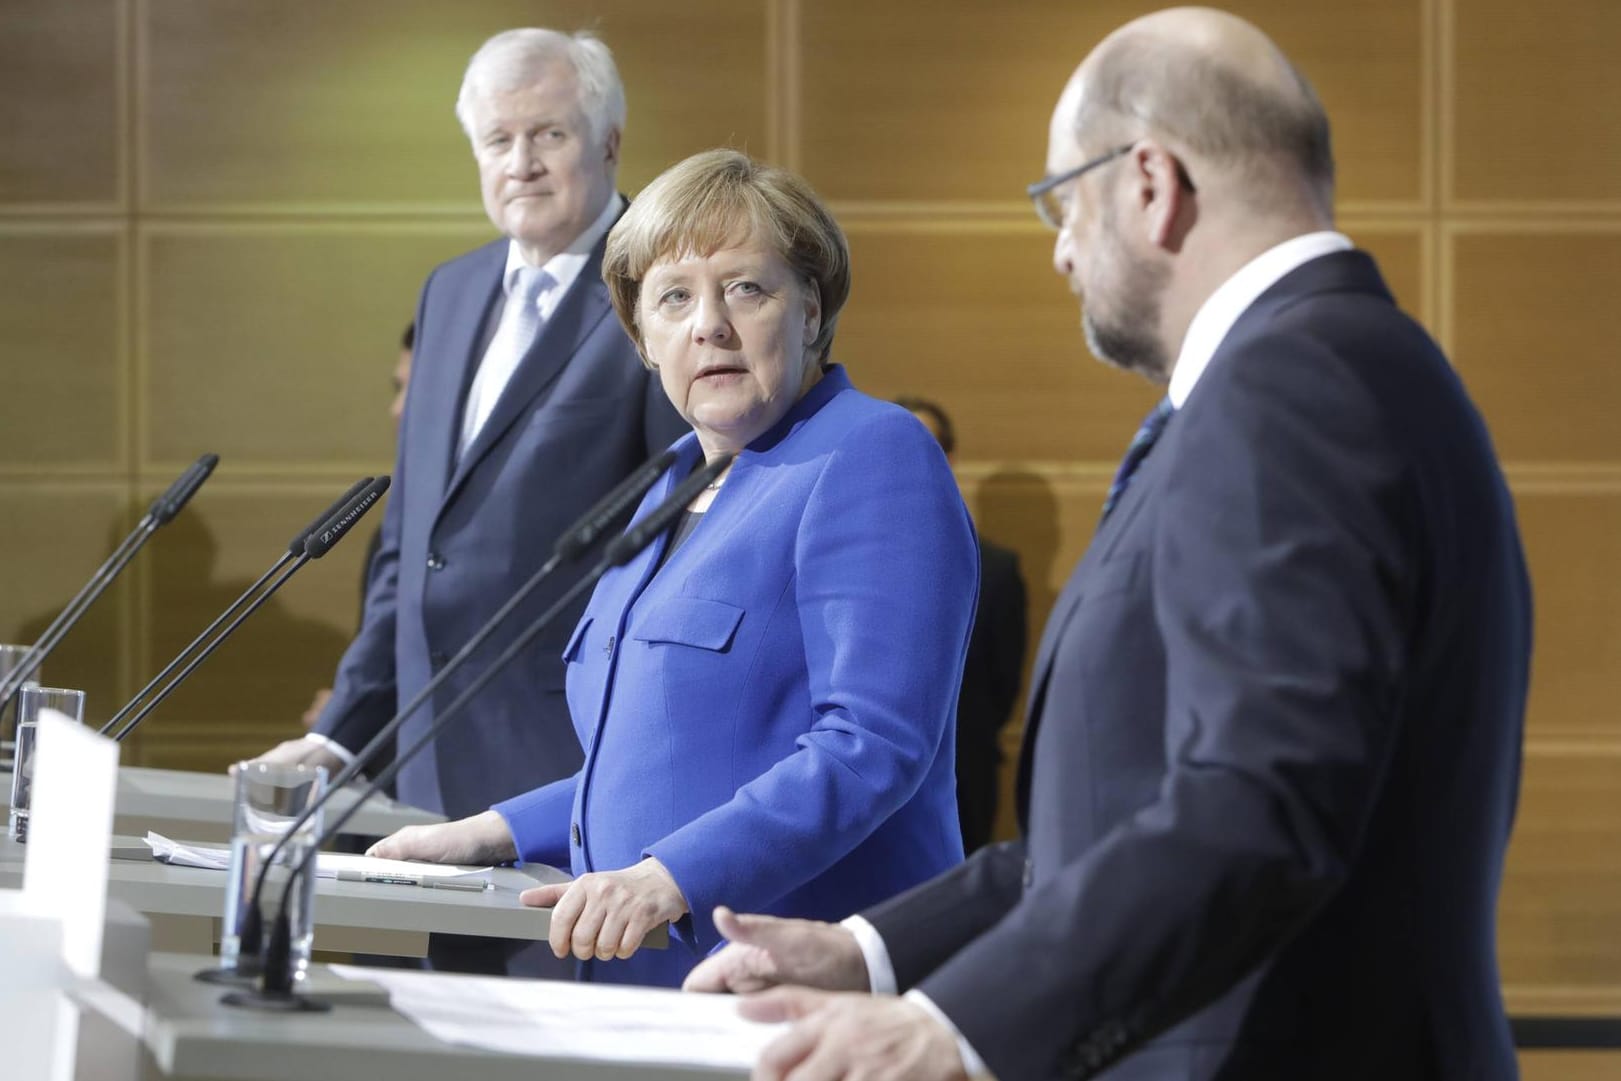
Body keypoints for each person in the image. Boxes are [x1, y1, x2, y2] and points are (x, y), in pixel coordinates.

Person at [685, 9, 1532, 1080]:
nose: (1059, 248)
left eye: (1059, 199)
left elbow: (1257, 803)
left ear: (1149, 183)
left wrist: (953, 1029)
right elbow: (1119, 820)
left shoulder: (1291, 386)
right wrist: (866, 950)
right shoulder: (1348, 364)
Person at [369, 148, 979, 989]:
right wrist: (491, 830)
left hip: (785, 981)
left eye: (746, 288)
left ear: (810, 308)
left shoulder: (870, 453)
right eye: (673, 298)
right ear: (642, 340)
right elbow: (660, 759)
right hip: (637, 979)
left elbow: (869, 745)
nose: (710, 325)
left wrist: (667, 878)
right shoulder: (671, 481)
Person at [251, 29, 687, 976]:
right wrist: (341, 734)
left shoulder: (660, 293)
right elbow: (412, 550)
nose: (521, 164)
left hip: (574, 770)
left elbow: (684, 545)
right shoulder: (449, 293)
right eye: (498, 141)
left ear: (610, 141)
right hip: (431, 770)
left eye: (549, 136)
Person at [894, 395, 1027, 853]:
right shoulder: (840, 557)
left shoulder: (998, 567)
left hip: (965, 783)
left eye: (930, 448)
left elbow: (1002, 689)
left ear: (949, 457)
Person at [301, 321, 415, 732]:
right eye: (396, 388)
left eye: (415, 389)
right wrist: (346, 711)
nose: (397, 409)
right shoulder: (393, 535)